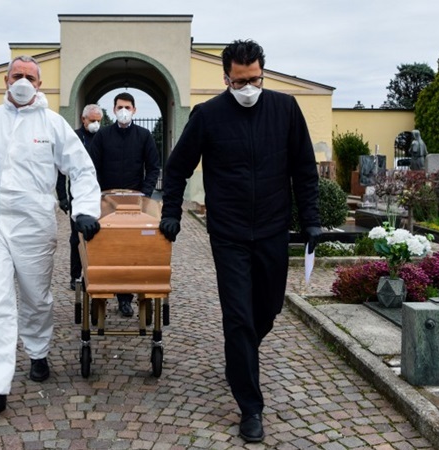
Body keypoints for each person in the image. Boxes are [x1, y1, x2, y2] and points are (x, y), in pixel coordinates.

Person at [158, 39, 321, 443]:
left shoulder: (285, 109)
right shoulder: (208, 115)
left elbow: (304, 169)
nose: (248, 88)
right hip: (228, 233)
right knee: (238, 317)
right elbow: (177, 168)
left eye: (255, 79)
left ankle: (241, 353)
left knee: (267, 310)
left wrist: (312, 221)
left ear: (263, 73)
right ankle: (250, 406)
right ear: (226, 78)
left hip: (272, 228)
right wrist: (171, 212)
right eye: (240, 81)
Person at [0, 55, 102, 427]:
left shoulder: (52, 124)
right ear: (5, 80)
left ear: (39, 84)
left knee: (37, 297)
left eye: (29, 77)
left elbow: (81, 168)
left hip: (34, 223)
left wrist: (85, 210)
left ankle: (38, 350)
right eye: (16, 75)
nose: (22, 81)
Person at [88, 92, 160, 317]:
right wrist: (98, 193)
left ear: (134, 110)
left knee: (129, 248)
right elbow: (91, 166)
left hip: (134, 201)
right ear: (114, 109)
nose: (124, 111)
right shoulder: (103, 136)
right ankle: (100, 292)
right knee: (105, 246)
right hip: (106, 200)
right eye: (120, 107)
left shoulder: (144, 136)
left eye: (128, 107)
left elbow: (153, 167)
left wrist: (145, 194)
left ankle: (125, 298)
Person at [56, 104, 103, 291]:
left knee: (98, 236)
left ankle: (94, 273)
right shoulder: (73, 137)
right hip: (77, 196)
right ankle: (75, 275)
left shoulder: (103, 137)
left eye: (98, 121)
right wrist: (62, 196)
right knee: (77, 237)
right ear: (84, 119)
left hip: (99, 195)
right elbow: (61, 170)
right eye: (92, 120)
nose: (96, 124)